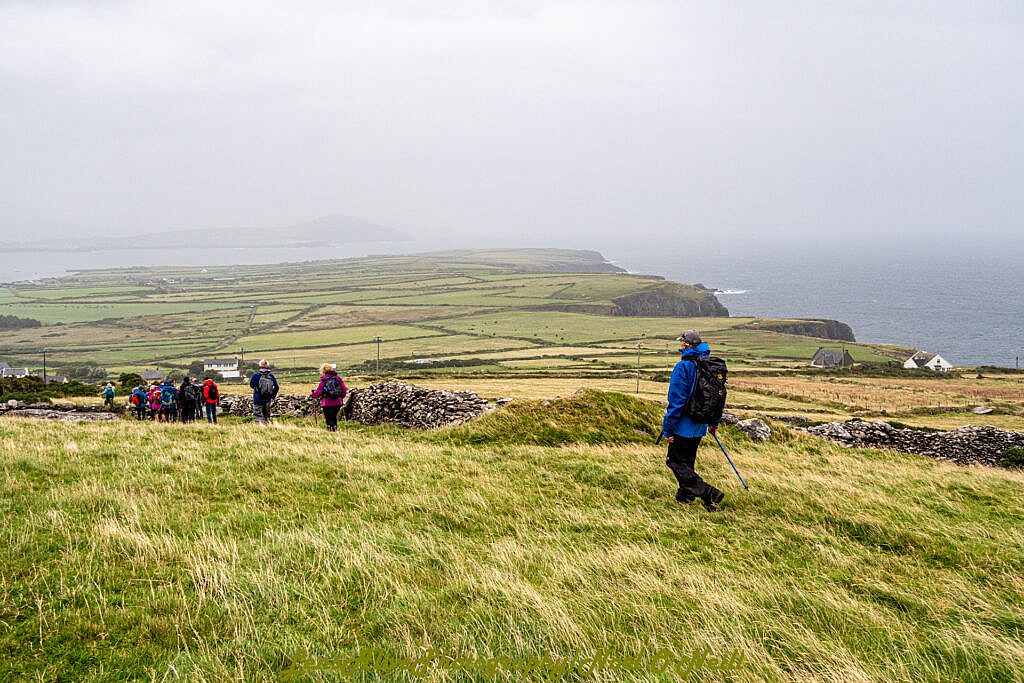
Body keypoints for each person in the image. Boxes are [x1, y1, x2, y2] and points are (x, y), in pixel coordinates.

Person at [662, 329, 725, 512]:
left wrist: (668, 429)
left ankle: (708, 493)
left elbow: (676, 401)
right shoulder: (710, 365)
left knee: (674, 461)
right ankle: (685, 497)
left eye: (681, 343)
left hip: (684, 424)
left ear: (686, 345)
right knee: (687, 461)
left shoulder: (683, 367)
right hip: (701, 425)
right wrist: (714, 422)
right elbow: (719, 397)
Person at [310, 363, 347, 431]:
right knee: (334, 417)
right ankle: (335, 430)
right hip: (338, 402)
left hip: (327, 403)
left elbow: (319, 392)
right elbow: (344, 390)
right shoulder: (338, 378)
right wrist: (340, 397)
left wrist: (313, 395)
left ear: (323, 371)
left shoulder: (324, 379)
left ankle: (330, 431)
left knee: (329, 418)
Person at [249, 359, 279, 424]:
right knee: (266, 416)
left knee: (258, 416)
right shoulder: (271, 376)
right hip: (267, 400)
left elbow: (251, 385)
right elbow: (276, 387)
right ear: (267, 366)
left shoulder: (256, 375)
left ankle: (260, 429)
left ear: (260, 366)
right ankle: (266, 429)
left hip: (258, 399)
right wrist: (272, 396)